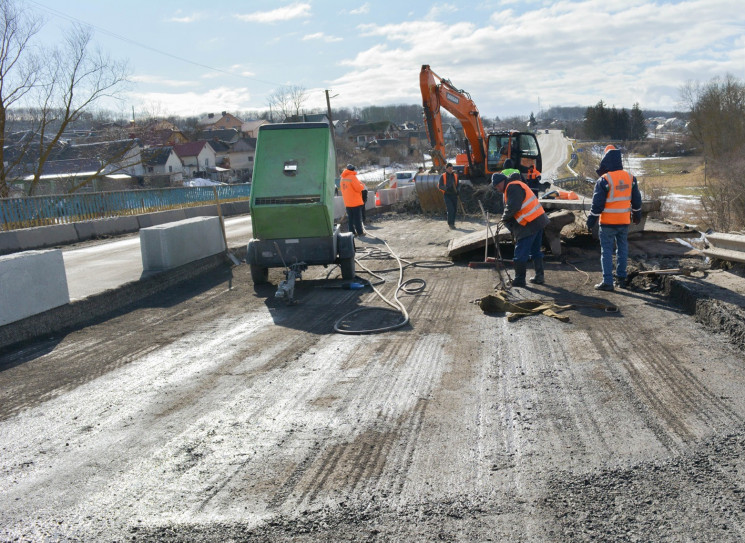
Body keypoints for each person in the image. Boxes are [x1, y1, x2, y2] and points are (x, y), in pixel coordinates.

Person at [586, 145, 643, 291]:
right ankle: (622, 279)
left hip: (607, 223)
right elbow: (636, 200)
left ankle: (608, 282)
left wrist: (591, 219)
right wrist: (637, 214)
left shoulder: (604, 180)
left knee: (606, 252)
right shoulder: (631, 178)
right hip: (624, 222)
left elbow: (597, 204)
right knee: (622, 250)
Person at [492, 171, 550, 287]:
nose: (497, 189)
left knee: (520, 253)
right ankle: (539, 276)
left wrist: (503, 218)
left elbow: (513, 207)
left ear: (503, 181)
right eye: (496, 187)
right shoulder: (516, 184)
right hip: (538, 220)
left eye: (498, 186)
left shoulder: (512, 187)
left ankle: (519, 279)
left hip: (529, 223)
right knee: (535, 251)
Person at [340, 164, 366, 237]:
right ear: (353, 170)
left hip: (347, 202)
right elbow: (358, 188)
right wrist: (362, 185)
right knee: (357, 218)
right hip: (355, 202)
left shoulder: (342, 178)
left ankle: (352, 233)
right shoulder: (352, 177)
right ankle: (360, 232)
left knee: (350, 219)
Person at [438, 163, 459, 229]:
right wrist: (446, 189)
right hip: (447, 195)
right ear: (446, 169)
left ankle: (453, 222)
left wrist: (458, 190)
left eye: (451, 168)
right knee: (450, 209)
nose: (450, 170)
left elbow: (458, 185)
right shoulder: (443, 176)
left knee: (455, 210)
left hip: (454, 195)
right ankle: (450, 224)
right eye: (449, 168)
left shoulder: (455, 176)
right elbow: (439, 186)